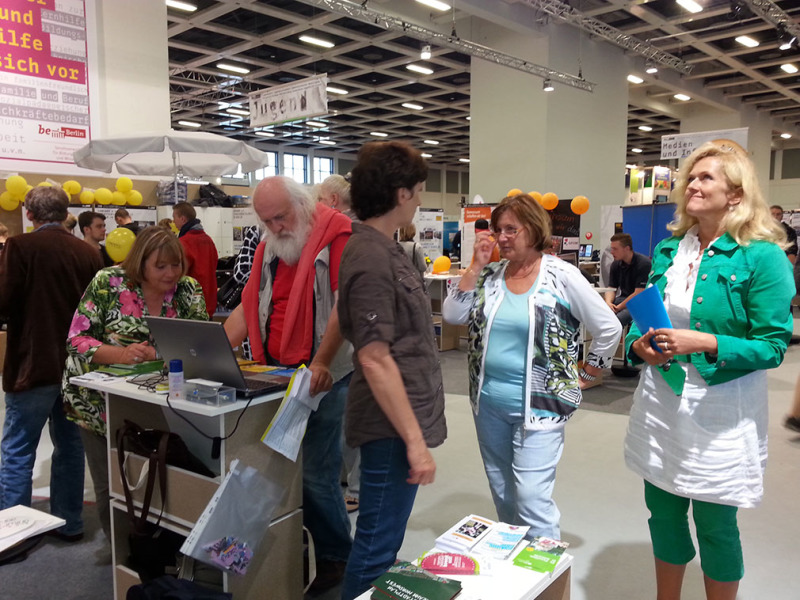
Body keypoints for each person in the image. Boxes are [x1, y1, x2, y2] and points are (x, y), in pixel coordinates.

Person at [624, 141, 794, 600]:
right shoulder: (669, 249)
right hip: (661, 402)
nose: (692, 186)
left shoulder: (763, 256)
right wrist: (638, 346)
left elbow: (773, 346)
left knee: (715, 523)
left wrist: (704, 342)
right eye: (690, 179)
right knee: (662, 513)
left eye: (706, 178)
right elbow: (645, 314)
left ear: (736, 193)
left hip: (722, 411)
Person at [442, 193, 620, 540]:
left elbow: (609, 327)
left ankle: (546, 567)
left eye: (511, 229)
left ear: (534, 229)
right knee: (502, 490)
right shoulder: (490, 275)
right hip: (488, 403)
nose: (502, 237)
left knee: (532, 497)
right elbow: (452, 314)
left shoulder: (561, 275)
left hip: (542, 405)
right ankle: (514, 559)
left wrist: (590, 371)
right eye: (498, 230)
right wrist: (475, 265)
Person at [223, 175, 353, 593]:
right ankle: (289, 554)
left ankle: (337, 558)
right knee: (273, 467)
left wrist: (322, 361)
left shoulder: (336, 236)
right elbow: (248, 305)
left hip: (324, 375)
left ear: (303, 204)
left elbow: (343, 308)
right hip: (277, 373)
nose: (276, 227)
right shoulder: (270, 249)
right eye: (267, 221)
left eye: (281, 217)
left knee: (315, 474)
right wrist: (213, 354)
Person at [337, 141, 447, 600]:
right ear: (401, 193)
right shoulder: (371, 256)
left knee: (383, 540)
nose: (420, 201)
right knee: (375, 548)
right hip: (390, 427)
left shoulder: (382, 249)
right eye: (418, 191)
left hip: (398, 419)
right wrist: (416, 444)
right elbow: (374, 357)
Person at [62, 226, 208, 539]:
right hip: (95, 403)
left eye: (176, 265)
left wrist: (165, 354)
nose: (171, 273)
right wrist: (122, 353)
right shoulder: (108, 283)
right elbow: (77, 339)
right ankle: (121, 551)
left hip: (155, 400)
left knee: (153, 474)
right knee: (111, 481)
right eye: (161, 266)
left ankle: (154, 546)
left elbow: (199, 343)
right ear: (140, 263)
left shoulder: (188, 289)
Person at [0, 187, 103, 541]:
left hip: (33, 364)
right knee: (71, 447)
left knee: (18, 448)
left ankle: (15, 534)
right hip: (78, 366)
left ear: (29, 214)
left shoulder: (20, 247)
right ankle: (69, 522)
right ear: (65, 212)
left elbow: (4, 301)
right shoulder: (88, 253)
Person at [172, 202, 219, 317]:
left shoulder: (183, 243)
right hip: (209, 301)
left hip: (191, 302)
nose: (173, 222)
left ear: (183, 219)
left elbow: (178, 274)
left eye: (174, 217)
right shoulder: (208, 240)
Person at [604, 232, 651, 326]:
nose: (612, 252)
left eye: (615, 249)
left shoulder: (643, 264)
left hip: (640, 302)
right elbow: (611, 288)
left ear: (627, 248)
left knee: (616, 321)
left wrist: (618, 308)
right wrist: (608, 303)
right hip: (623, 299)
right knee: (601, 314)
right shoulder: (616, 264)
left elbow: (638, 293)